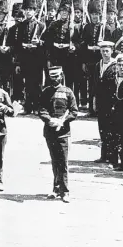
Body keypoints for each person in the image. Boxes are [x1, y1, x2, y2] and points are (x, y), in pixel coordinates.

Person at [39, 66, 78, 202]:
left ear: (61, 75)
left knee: (63, 162)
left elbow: (74, 111)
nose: (54, 79)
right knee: (55, 162)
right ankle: (56, 188)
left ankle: (65, 191)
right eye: (52, 76)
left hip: (63, 133)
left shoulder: (68, 92)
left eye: (56, 76)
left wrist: (63, 121)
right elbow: (42, 109)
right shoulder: (46, 92)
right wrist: (50, 120)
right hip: (50, 132)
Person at [18, 0, 45, 114]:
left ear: (35, 11)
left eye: (31, 9)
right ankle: (28, 107)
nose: (28, 12)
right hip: (25, 58)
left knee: (37, 83)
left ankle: (38, 106)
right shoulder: (21, 26)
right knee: (27, 83)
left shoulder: (41, 25)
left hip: (37, 59)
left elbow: (46, 42)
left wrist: (39, 42)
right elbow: (18, 44)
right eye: (26, 9)